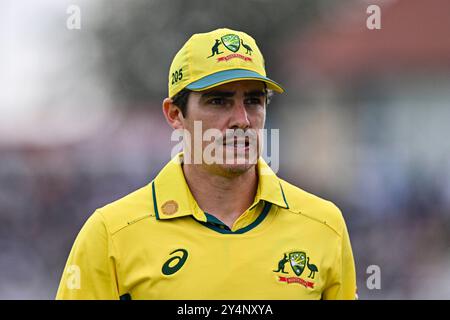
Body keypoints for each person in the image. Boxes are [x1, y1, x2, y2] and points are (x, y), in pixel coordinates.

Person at [56, 28, 356, 300]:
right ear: (175, 114)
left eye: (253, 100)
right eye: (218, 101)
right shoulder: (111, 234)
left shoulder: (325, 226)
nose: (242, 120)